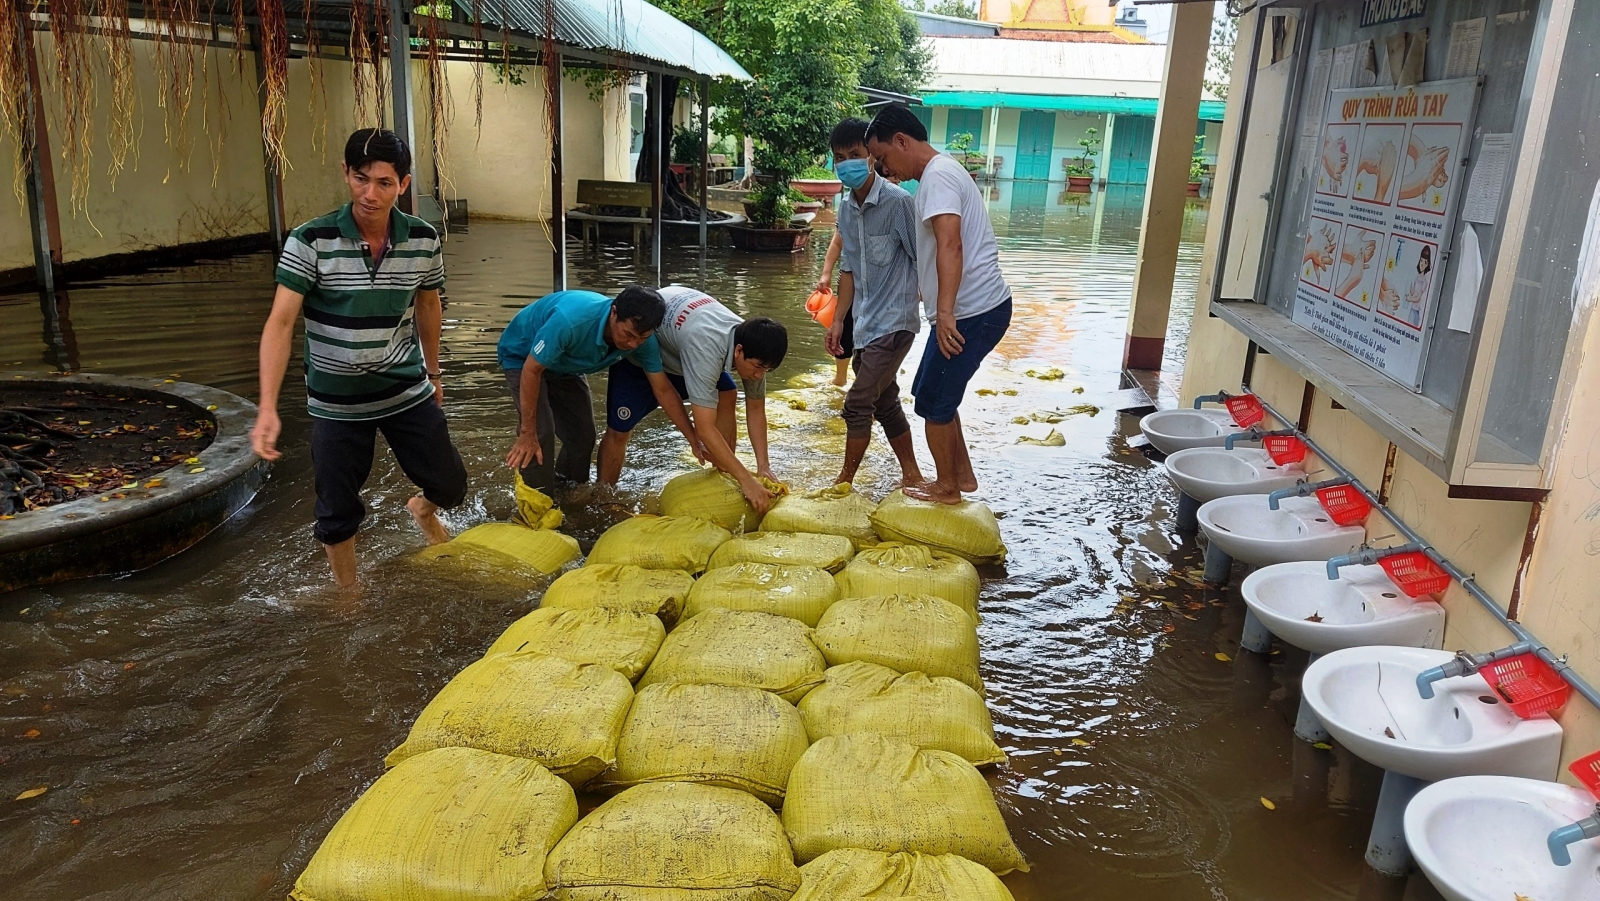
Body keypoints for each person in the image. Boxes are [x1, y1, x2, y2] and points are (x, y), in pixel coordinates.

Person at [252, 128, 467, 587]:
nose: (370, 194)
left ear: (403, 185)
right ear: (346, 174)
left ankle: (421, 511)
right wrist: (267, 407)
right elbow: (280, 323)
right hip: (336, 399)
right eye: (361, 178)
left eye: (384, 183)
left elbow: (429, 303)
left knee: (451, 485)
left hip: (404, 387)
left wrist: (434, 371)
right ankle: (348, 596)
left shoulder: (423, 240)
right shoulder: (311, 240)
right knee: (336, 510)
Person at [866, 105, 1013, 505]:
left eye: (883, 158)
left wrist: (945, 313)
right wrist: (927, 296)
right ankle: (961, 475)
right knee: (932, 393)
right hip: (972, 309)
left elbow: (951, 244)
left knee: (933, 401)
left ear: (901, 141)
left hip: (973, 311)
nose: (884, 169)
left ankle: (947, 486)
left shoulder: (938, 177)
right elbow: (936, 250)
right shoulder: (940, 173)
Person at [596, 285, 787, 514]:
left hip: (681, 351)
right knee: (619, 430)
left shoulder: (755, 345)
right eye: (757, 368)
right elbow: (704, 429)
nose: (758, 375)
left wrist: (763, 467)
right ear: (738, 351)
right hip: (641, 360)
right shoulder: (706, 348)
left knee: (727, 392)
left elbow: (756, 409)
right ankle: (603, 499)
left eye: (766, 370)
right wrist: (748, 480)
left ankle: (724, 473)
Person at [497, 286, 700, 491]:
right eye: (628, 334)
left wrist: (694, 439)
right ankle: (535, 504)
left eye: (642, 338)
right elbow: (532, 370)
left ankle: (568, 493)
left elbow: (663, 390)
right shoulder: (570, 322)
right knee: (540, 433)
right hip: (523, 357)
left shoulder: (642, 342)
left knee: (583, 436)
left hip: (565, 365)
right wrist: (526, 433)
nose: (632, 344)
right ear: (614, 312)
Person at [826, 117, 924, 488]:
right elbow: (848, 269)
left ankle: (844, 481)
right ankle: (912, 475)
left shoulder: (899, 203)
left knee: (858, 402)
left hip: (896, 324)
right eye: (839, 157)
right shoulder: (846, 209)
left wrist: (936, 314)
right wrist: (839, 322)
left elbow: (922, 260)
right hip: (865, 324)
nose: (847, 162)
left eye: (854, 154)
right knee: (884, 402)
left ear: (871, 156)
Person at [814, 232, 853, 386]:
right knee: (843, 325)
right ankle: (840, 377)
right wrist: (826, 273)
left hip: (881, 285)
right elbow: (837, 242)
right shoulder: (848, 212)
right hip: (849, 280)